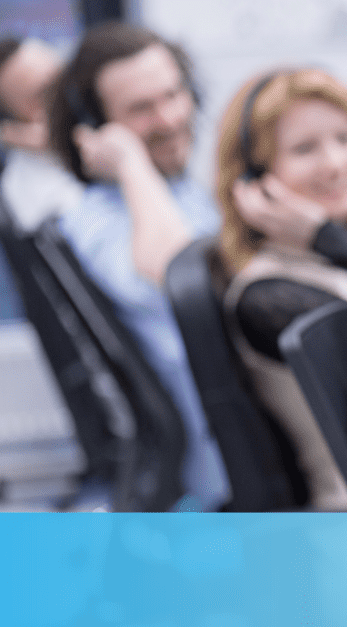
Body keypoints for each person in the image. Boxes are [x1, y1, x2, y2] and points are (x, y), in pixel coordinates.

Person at [46, 22, 229, 511]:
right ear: (95, 125)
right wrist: (129, 162)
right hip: (225, 470)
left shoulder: (182, 192)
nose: (169, 118)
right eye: (140, 110)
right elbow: (179, 277)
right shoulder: (93, 218)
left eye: (173, 94)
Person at [214, 68, 347, 511]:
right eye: (304, 149)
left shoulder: (337, 262)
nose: (337, 162)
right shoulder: (267, 297)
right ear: (253, 179)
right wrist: (326, 236)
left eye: (345, 138)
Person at [0, 37, 82, 231]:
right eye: (46, 93)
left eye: (65, 76)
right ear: (13, 127)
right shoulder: (31, 196)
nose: (69, 93)